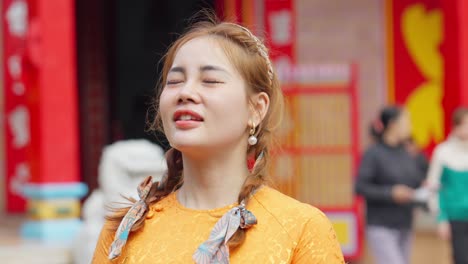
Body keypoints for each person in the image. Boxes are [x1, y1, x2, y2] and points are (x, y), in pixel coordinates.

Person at [92, 16, 344, 263]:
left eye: (210, 81)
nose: (185, 93)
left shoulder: (301, 229)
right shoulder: (123, 233)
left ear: (256, 109)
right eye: (175, 81)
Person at [355, 106, 426, 264]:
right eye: (406, 122)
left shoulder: (406, 153)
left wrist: (424, 187)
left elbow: (414, 180)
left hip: (404, 223)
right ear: (393, 125)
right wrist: (391, 193)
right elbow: (360, 187)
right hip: (381, 224)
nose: (409, 127)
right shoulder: (374, 154)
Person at [426, 107, 468, 264]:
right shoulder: (443, 152)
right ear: (455, 127)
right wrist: (441, 218)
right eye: (463, 124)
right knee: (462, 258)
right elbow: (433, 187)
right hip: (455, 216)